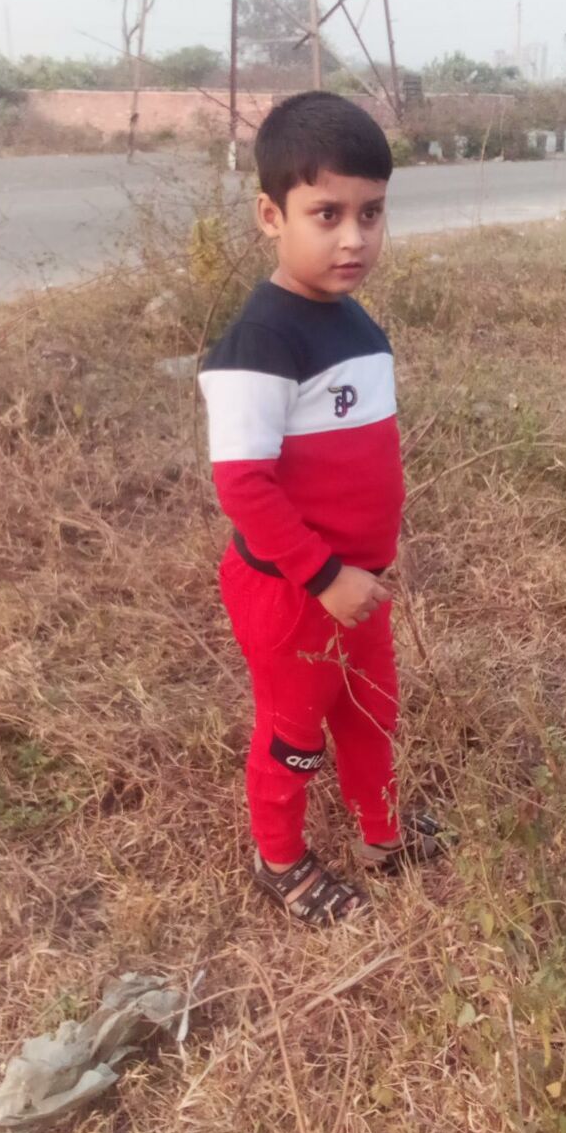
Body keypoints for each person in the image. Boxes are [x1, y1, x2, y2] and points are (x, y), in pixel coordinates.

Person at [199, 91, 444, 927]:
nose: (354, 238)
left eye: (371, 213)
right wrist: (324, 575)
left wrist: (366, 562)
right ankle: (280, 859)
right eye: (327, 213)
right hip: (293, 591)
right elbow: (244, 486)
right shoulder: (261, 341)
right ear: (272, 215)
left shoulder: (355, 322)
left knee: (373, 710)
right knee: (294, 731)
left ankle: (382, 833)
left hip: (359, 585)